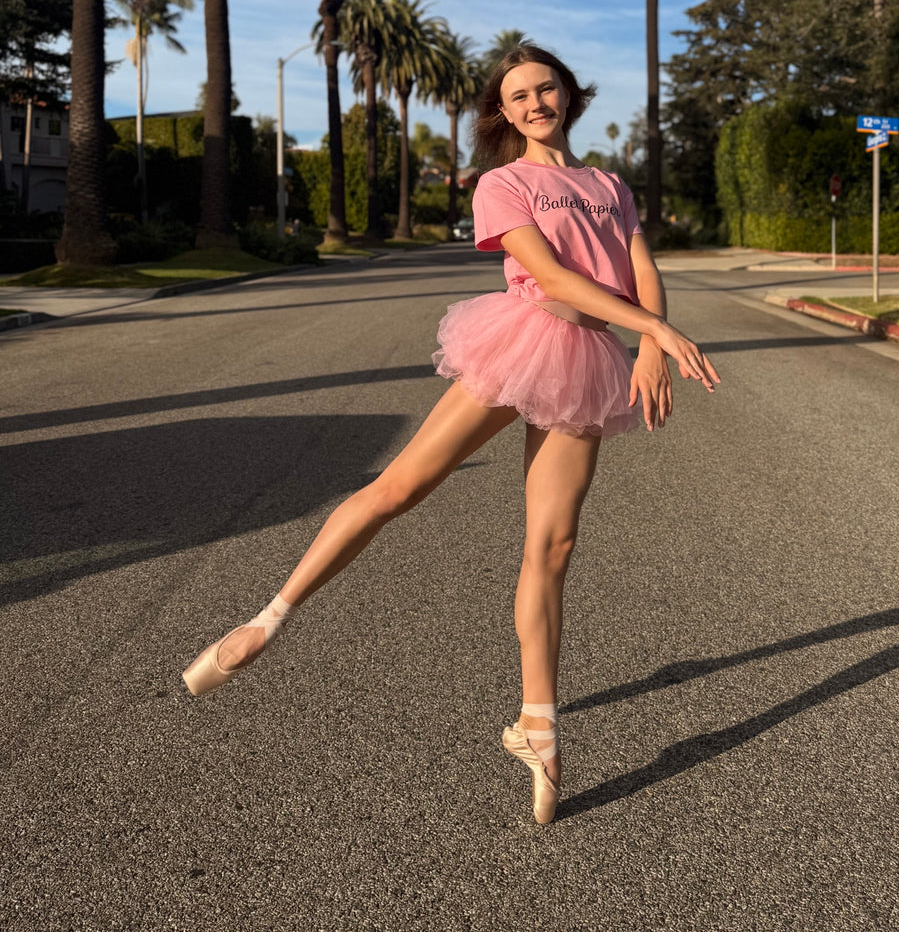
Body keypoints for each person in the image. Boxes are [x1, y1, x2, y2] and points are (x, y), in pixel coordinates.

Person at [182, 45, 720, 825]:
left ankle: (539, 724)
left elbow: (640, 266)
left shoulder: (608, 184)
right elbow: (557, 277)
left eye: (546, 87)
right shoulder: (504, 183)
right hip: (523, 338)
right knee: (399, 487)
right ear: (503, 114)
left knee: (555, 546)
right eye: (518, 96)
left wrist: (646, 338)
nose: (536, 102)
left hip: (586, 359)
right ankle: (269, 616)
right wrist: (657, 333)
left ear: (569, 93)